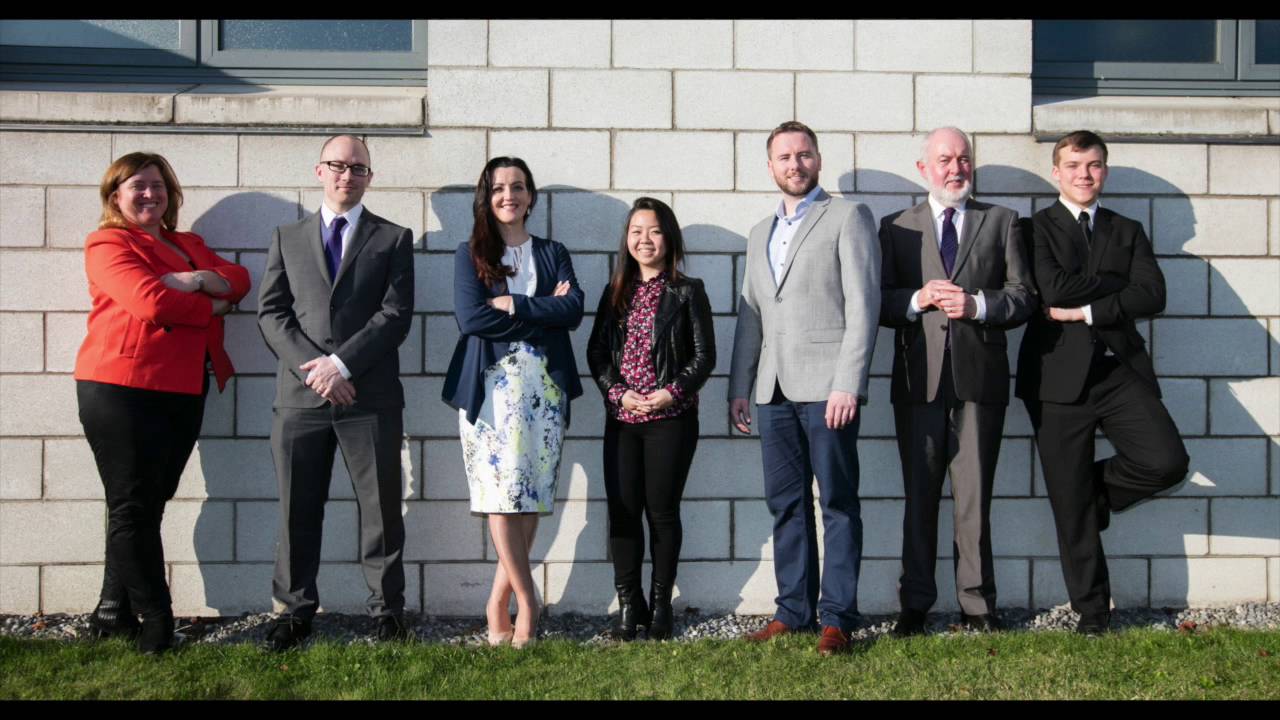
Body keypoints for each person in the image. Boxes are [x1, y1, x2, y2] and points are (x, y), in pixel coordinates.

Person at [75, 151, 250, 653]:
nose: (150, 194)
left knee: (146, 504)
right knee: (132, 506)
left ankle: (112, 610)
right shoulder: (108, 243)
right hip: (122, 387)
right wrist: (211, 302)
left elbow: (239, 280)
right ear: (116, 197)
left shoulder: (187, 244)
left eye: (158, 185)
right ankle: (157, 620)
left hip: (183, 386)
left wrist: (194, 280)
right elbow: (151, 302)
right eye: (138, 186)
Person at [1015, 130, 1189, 635]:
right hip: (1055, 380)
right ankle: (1092, 612)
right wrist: (1118, 287)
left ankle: (1089, 495)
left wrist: (1087, 310)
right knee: (1068, 506)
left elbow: (1153, 295)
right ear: (1056, 172)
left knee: (1166, 461)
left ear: (1104, 171)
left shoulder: (1127, 229)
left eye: (1093, 165)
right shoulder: (1033, 228)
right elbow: (1052, 287)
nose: (1084, 174)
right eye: (1073, 165)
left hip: (1118, 371)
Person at [728, 121, 881, 656]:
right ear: (770, 166)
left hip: (827, 390)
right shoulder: (758, 233)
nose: (795, 164)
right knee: (785, 505)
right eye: (785, 157)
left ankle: (837, 617)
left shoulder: (848, 216)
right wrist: (740, 386)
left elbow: (864, 305)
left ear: (818, 159)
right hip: (772, 391)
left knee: (837, 502)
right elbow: (752, 315)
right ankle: (793, 610)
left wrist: (849, 384)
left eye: (804, 154)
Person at [258, 135, 415, 650]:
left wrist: (341, 365)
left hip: (368, 399)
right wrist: (317, 372)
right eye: (338, 165)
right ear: (319, 170)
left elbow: (395, 315)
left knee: (381, 510)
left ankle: (387, 612)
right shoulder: (287, 237)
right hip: (300, 400)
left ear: (370, 177)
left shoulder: (393, 238)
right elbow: (272, 313)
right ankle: (294, 611)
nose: (347, 175)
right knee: (296, 510)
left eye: (358, 167)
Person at [878, 127, 1034, 637]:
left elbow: (1023, 296)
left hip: (979, 383)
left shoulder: (1002, 221)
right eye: (944, 160)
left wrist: (977, 305)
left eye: (963, 159)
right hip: (917, 383)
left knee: (974, 497)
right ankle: (915, 605)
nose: (955, 169)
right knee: (918, 497)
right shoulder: (896, 227)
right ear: (924, 168)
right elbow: (877, 300)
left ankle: (978, 605)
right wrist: (917, 299)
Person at [442, 157, 584, 648]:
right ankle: (527, 601)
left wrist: (516, 303)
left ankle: (496, 600)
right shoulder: (470, 254)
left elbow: (574, 310)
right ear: (487, 197)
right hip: (491, 392)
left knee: (530, 498)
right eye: (499, 187)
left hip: (544, 390)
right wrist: (544, 312)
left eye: (518, 186)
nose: (509, 195)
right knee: (500, 498)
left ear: (531, 196)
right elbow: (471, 319)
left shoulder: (552, 251)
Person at [586, 197, 715, 641]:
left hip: (670, 420)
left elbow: (704, 356)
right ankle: (630, 604)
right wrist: (618, 392)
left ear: (669, 238)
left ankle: (661, 605)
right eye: (636, 231)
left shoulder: (688, 291)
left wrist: (669, 393)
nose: (645, 239)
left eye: (654, 230)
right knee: (623, 513)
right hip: (622, 420)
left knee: (661, 513)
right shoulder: (614, 292)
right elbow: (597, 353)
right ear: (627, 239)